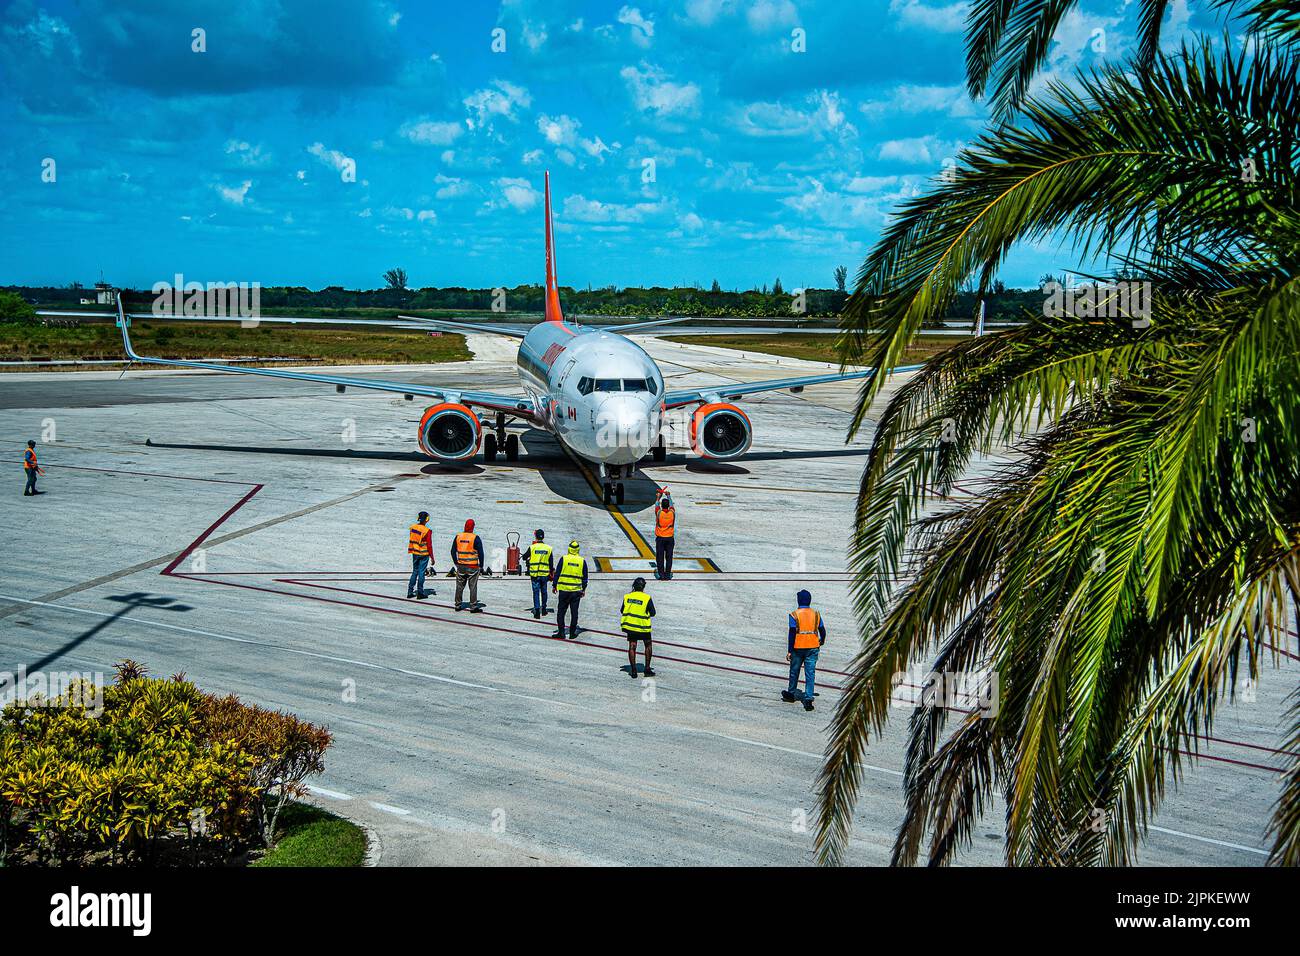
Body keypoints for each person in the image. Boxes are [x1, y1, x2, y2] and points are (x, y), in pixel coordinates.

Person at [782, 589, 826, 711]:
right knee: (810, 673)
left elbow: (792, 633)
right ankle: (808, 699)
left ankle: (791, 693)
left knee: (794, 671)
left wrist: (789, 650)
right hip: (813, 647)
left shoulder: (794, 614)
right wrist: (822, 640)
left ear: (798, 600)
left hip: (798, 647)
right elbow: (822, 630)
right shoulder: (816, 614)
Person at [551, 539, 587, 640]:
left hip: (564, 590)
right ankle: (572, 633)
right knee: (574, 613)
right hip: (576, 591)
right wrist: (583, 589)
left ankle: (561, 633)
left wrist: (554, 585)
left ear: (569, 548)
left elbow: (557, 573)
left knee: (561, 612)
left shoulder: (564, 559)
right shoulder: (582, 561)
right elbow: (585, 577)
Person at [621, 576, 656, 678]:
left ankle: (633, 671)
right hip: (643, 626)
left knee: (632, 646)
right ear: (643, 587)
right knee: (648, 645)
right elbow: (653, 613)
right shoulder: (647, 598)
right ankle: (647, 669)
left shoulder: (627, 597)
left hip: (631, 625)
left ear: (634, 586)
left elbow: (622, 610)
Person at [452, 518, 485, 611]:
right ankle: (473, 606)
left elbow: (452, 551)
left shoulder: (458, 537)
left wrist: (456, 562)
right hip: (473, 566)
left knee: (459, 586)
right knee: (473, 587)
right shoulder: (475, 538)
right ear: (473, 527)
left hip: (461, 566)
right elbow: (481, 553)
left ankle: (457, 605)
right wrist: (481, 565)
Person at [521, 529, 554, 619]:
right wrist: (551, 572)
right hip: (544, 574)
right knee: (544, 592)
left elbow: (524, 557)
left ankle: (536, 611)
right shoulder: (548, 548)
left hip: (535, 574)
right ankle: (543, 609)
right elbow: (551, 563)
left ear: (536, 537)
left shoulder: (532, 547)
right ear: (543, 537)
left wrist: (525, 557)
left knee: (536, 592)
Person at [407, 511, 435, 599]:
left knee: (414, 571)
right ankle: (420, 592)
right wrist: (432, 557)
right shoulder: (427, 531)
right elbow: (429, 545)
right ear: (427, 519)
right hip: (424, 554)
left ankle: (410, 591)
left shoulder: (413, 528)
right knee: (421, 572)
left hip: (415, 553)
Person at [654, 488, 675, 579]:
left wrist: (658, 497)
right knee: (669, 557)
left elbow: (656, 505)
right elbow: (672, 505)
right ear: (668, 506)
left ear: (662, 506)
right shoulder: (672, 513)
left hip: (660, 538)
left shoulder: (659, 513)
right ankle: (668, 574)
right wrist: (668, 496)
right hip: (670, 538)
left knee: (660, 556)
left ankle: (661, 574)